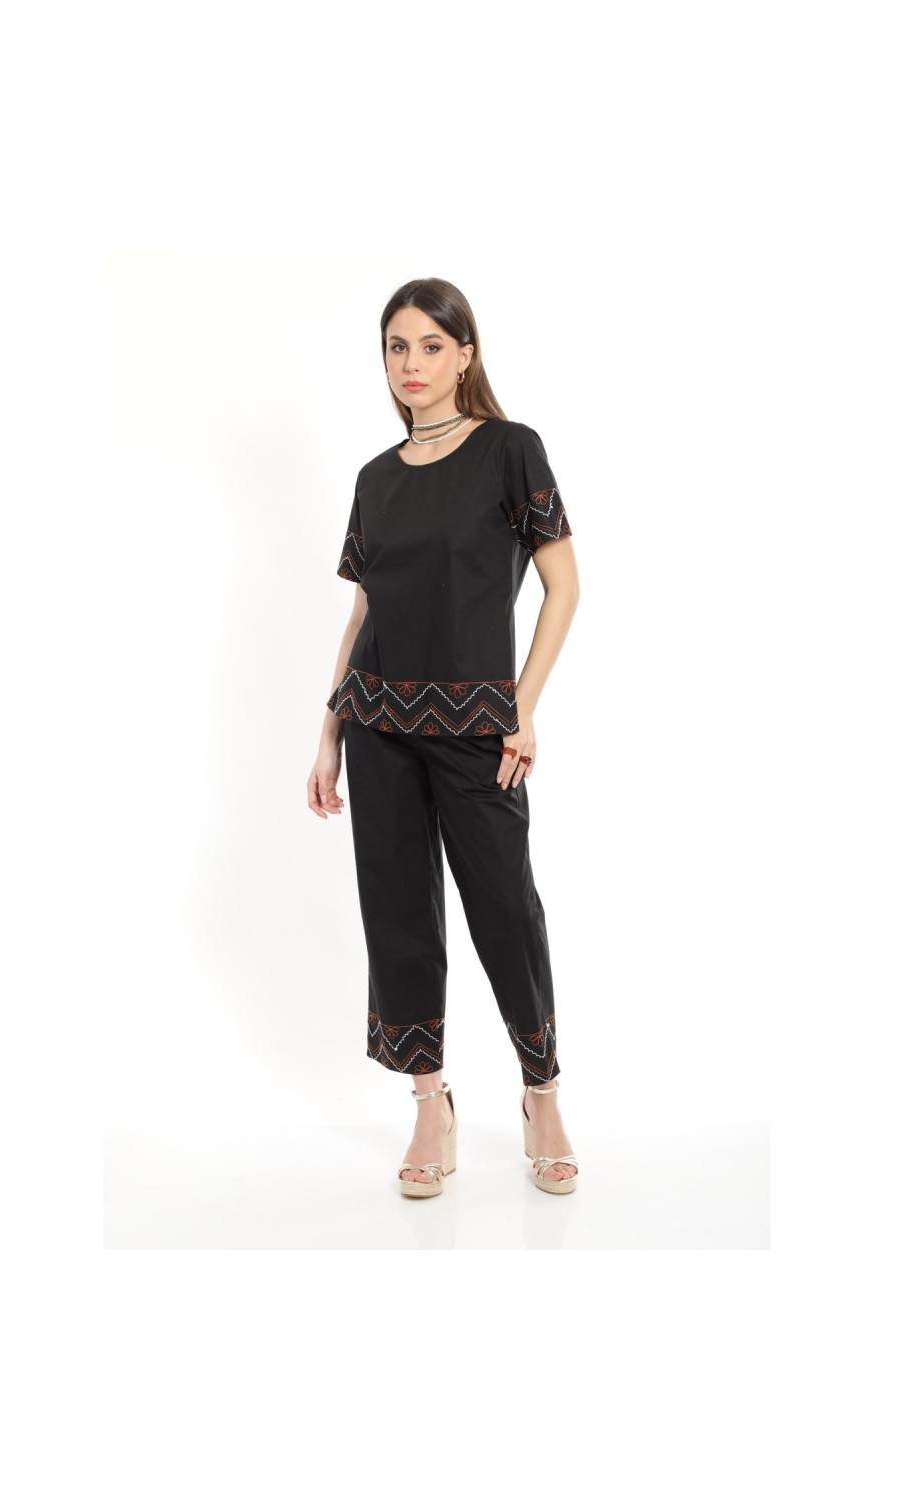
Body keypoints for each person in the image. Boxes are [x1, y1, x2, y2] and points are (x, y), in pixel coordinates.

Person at [308, 277, 580, 1198]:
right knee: (397, 911)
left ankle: (541, 1091)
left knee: (505, 906)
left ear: (466, 354)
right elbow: (364, 612)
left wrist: (522, 706)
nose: (412, 363)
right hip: (377, 722)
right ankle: (431, 1103)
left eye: (431, 345)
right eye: (397, 346)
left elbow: (564, 586)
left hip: (476, 729)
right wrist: (329, 730)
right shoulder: (374, 478)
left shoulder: (510, 450)